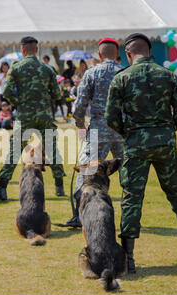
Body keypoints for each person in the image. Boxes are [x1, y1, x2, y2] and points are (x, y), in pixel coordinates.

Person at [105, 33, 177, 273]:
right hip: (165, 144)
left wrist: (131, 133)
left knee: (132, 198)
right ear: (149, 51)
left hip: (136, 145)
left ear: (128, 54)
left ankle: (128, 259)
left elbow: (111, 117)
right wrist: (167, 130)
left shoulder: (121, 79)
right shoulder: (168, 76)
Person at [0, 36, 66, 201]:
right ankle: (59, 186)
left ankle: (2, 188)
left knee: (15, 149)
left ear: (22, 50)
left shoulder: (16, 68)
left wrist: (18, 104)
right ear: (36, 49)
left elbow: (7, 91)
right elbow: (57, 94)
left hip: (24, 115)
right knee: (52, 148)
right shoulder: (47, 69)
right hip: (45, 114)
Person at [64, 37, 124, 228]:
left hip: (99, 127)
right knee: (129, 172)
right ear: (118, 55)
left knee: (86, 170)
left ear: (99, 54)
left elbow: (80, 103)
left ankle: (79, 215)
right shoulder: (126, 73)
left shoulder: (92, 73)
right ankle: (131, 216)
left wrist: (80, 123)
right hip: (124, 128)